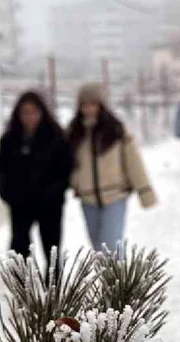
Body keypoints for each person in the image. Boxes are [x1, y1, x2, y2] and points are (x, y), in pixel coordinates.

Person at [67, 83, 157, 252]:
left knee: (111, 246)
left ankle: (119, 271)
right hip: (88, 199)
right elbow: (66, 164)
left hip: (115, 196)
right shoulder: (74, 133)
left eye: (93, 104)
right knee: (98, 248)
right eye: (84, 105)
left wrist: (145, 192)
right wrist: (74, 183)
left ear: (101, 105)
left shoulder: (116, 131)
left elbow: (134, 162)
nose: (89, 109)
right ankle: (108, 271)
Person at [0, 91, 72, 260]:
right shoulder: (9, 140)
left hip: (50, 203)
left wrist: (55, 191)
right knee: (19, 248)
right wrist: (7, 193)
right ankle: (22, 277)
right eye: (25, 112)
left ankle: (53, 278)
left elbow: (66, 169)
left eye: (34, 112)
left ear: (42, 112)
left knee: (52, 251)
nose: (30, 117)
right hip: (20, 203)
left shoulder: (56, 137)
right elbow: (2, 169)